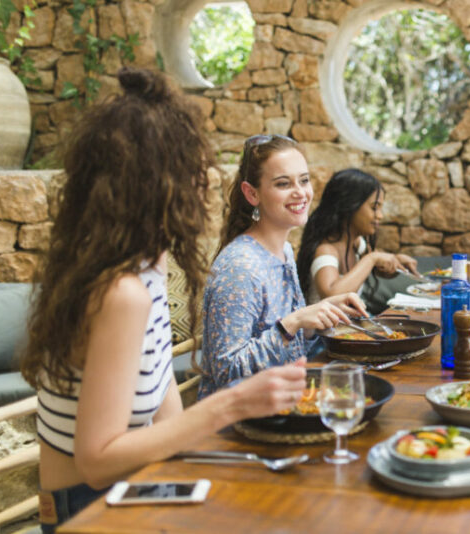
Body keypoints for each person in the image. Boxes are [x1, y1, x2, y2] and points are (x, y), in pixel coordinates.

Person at [19, 68, 312, 531]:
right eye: (194, 169)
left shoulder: (148, 265)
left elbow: (163, 405)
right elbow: (96, 460)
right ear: (156, 184)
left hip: (142, 481)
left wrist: (213, 465)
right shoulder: (121, 292)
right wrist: (232, 405)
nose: (208, 181)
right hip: (90, 507)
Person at [198, 136, 366, 399]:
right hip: (236, 425)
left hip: (285, 400)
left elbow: (293, 348)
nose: (300, 192)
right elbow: (226, 372)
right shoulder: (240, 267)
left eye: (304, 180)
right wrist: (292, 322)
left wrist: (318, 319)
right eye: (283, 184)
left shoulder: (284, 250)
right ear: (251, 193)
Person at [296, 168, 419, 306]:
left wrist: (396, 262)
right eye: (374, 208)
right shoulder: (326, 250)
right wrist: (372, 258)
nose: (380, 215)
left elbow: (373, 269)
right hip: (324, 328)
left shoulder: (356, 243)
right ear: (349, 206)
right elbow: (331, 295)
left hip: (349, 326)